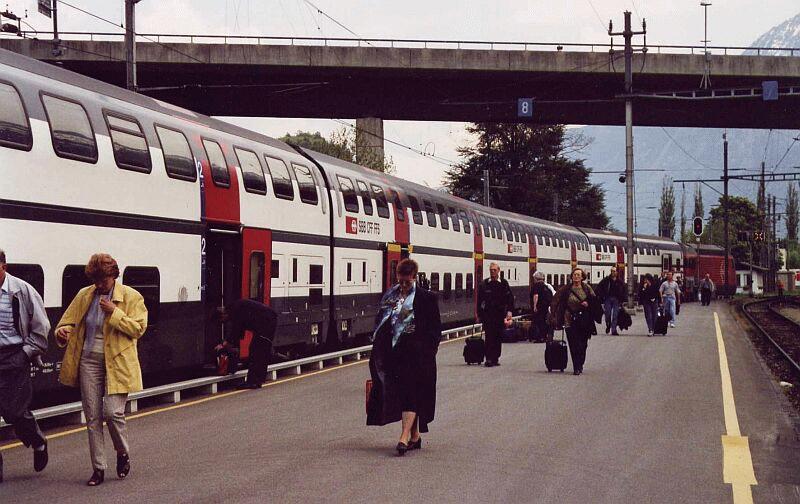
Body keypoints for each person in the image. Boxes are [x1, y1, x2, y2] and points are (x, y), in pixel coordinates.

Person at [55, 253, 147, 486]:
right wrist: (63, 331)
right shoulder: (84, 295)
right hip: (89, 359)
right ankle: (98, 469)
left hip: (118, 361)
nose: (98, 285)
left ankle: (122, 452)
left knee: (113, 412)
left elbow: (138, 329)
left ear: (114, 276)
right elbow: (67, 321)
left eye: (103, 281)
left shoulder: (131, 297)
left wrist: (114, 313)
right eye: (95, 280)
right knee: (93, 416)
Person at [367, 259, 441, 456]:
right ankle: (415, 436)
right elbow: (381, 323)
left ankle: (403, 437)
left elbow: (435, 330)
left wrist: (428, 351)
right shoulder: (390, 296)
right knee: (404, 394)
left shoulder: (426, 298)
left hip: (418, 357)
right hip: (395, 355)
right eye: (401, 281)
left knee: (411, 393)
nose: (404, 286)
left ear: (415, 277)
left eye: (407, 282)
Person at [0, 249, 49, 484]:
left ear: (3, 266)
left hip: (15, 355)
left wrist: (25, 353)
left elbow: (42, 327)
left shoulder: (22, 290)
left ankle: (38, 442)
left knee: (15, 412)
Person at [215, 299, 277, 389]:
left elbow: (237, 329)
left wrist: (224, 344)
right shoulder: (235, 307)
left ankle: (252, 382)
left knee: (256, 351)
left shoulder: (235, 310)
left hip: (266, 323)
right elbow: (239, 330)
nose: (226, 322)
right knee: (260, 352)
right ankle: (257, 381)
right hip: (268, 322)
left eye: (223, 320)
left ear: (223, 314)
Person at [551, 268, 598, 375]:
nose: (576, 277)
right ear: (571, 277)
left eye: (578, 275)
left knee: (583, 344)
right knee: (573, 344)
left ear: (582, 277)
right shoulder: (566, 289)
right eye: (574, 275)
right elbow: (555, 300)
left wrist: (588, 304)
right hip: (569, 319)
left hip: (584, 320)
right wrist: (553, 315)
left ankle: (580, 363)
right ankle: (576, 367)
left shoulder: (587, 288)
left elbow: (595, 302)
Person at [476, 262, 514, 367]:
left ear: (498, 271)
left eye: (494, 270)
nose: (492, 272)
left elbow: (510, 299)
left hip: (499, 314)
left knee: (497, 336)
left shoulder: (503, 283)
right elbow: (479, 301)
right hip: (488, 315)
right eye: (491, 270)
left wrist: (509, 312)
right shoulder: (484, 284)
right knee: (489, 336)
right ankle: (488, 358)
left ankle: (495, 358)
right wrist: (478, 314)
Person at [596, 268, 625, 335]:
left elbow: (623, 290)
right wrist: (602, 296)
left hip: (616, 300)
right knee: (607, 314)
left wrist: (622, 300)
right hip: (607, 299)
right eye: (612, 271)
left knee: (615, 315)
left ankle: (614, 330)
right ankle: (608, 325)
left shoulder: (619, 281)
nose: (613, 272)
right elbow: (599, 287)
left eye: (614, 271)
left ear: (617, 272)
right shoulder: (606, 280)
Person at [530, 271, 553, 342]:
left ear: (536, 278)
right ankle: (544, 336)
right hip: (545, 306)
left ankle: (539, 337)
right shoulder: (546, 286)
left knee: (538, 321)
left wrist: (534, 306)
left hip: (539, 306)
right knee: (544, 321)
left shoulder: (536, 285)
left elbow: (536, 296)